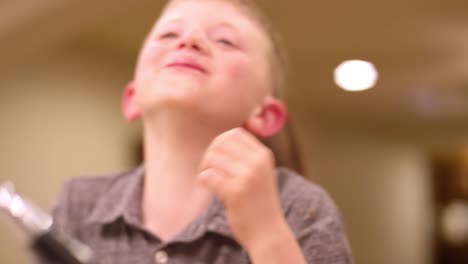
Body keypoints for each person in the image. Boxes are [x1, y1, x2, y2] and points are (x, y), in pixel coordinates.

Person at [34, 0, 353, 263]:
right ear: (133, 99)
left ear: (265, 115)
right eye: (169, 34)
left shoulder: (297, 207)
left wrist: (266, 234)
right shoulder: (79, 203)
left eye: (225, 40)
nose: (189, 40)